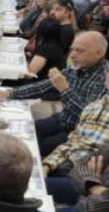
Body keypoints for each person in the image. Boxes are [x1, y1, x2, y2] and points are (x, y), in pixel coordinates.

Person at [0, 31, 109, 157]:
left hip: (80, 132)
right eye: (72, 49)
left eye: (80, 51)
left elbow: (88, 117)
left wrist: (65, 90)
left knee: (31, 148)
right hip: (63, 119)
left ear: (99, 53)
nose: (72, 55)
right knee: (21, 132)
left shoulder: (104, 79)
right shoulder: (78, 67)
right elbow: (44, 87)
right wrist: (10, 93)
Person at [42, 69, 109, 202]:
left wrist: (94, 183)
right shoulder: (93, 106)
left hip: (88, 178)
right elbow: (71, 142)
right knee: (24, 174)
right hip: (64, 164)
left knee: (30, 188)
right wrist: (47, 165)